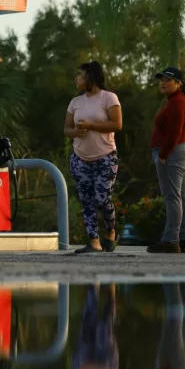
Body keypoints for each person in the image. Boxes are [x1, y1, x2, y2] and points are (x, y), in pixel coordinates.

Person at [64, 61, 123, 254]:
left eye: (80, 75)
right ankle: (94, 241)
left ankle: (111, 231)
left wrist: (91, 125)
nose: (76, 79)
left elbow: (117, 125)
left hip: (105, 157)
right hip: (80, 158)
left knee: (102, 198)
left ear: (90, 78)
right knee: (86, 201)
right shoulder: (75, 102)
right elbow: (66, 129)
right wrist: (75, 132)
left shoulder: (109, 98)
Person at [147, 67, 185, 254]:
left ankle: (171, 240)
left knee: (172, 197)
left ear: (178, 83)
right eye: (161, 79)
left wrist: (163, 155)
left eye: (168, 79)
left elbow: (174, 132)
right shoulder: (176, 101)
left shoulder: (177, 102)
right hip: (181, 152)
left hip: (173, 153)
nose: (163, 82)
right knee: (183, 198)